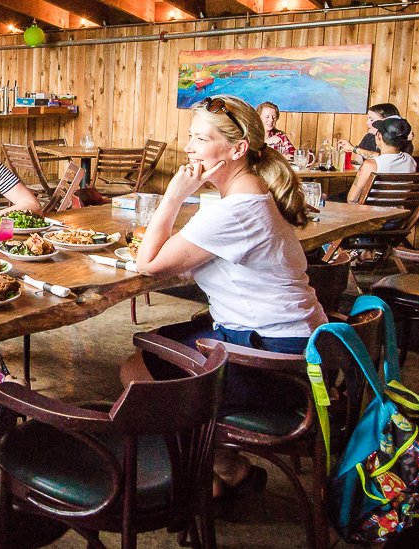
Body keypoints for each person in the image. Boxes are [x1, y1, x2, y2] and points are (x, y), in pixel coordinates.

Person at [123, 94, 328, 505]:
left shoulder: (235, 210)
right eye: (190, 137)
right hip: (304, 349)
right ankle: (224, 465)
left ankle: (197, 477)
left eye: (201, 139)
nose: (189, 147)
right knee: (165, 340)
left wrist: (175, 194)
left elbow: (147, 263)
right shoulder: (253, 194)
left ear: (237, 149)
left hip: (274, 363)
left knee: (137, 372)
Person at [346, 117, 418, 202]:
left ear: (379, 136)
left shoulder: (370, 165)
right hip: (400, 213)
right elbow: (385, 157)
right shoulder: (410, 160)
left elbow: (351, 199)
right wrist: (353, 149)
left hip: (371, 214)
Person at [337, 103, 414, 159]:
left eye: (372, 119)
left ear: (387, 121)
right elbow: (358, 160)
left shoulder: (400, 140)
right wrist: (350, 149)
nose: (367, 123)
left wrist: (353, 149)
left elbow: (387, 159)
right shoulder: (369, 137)